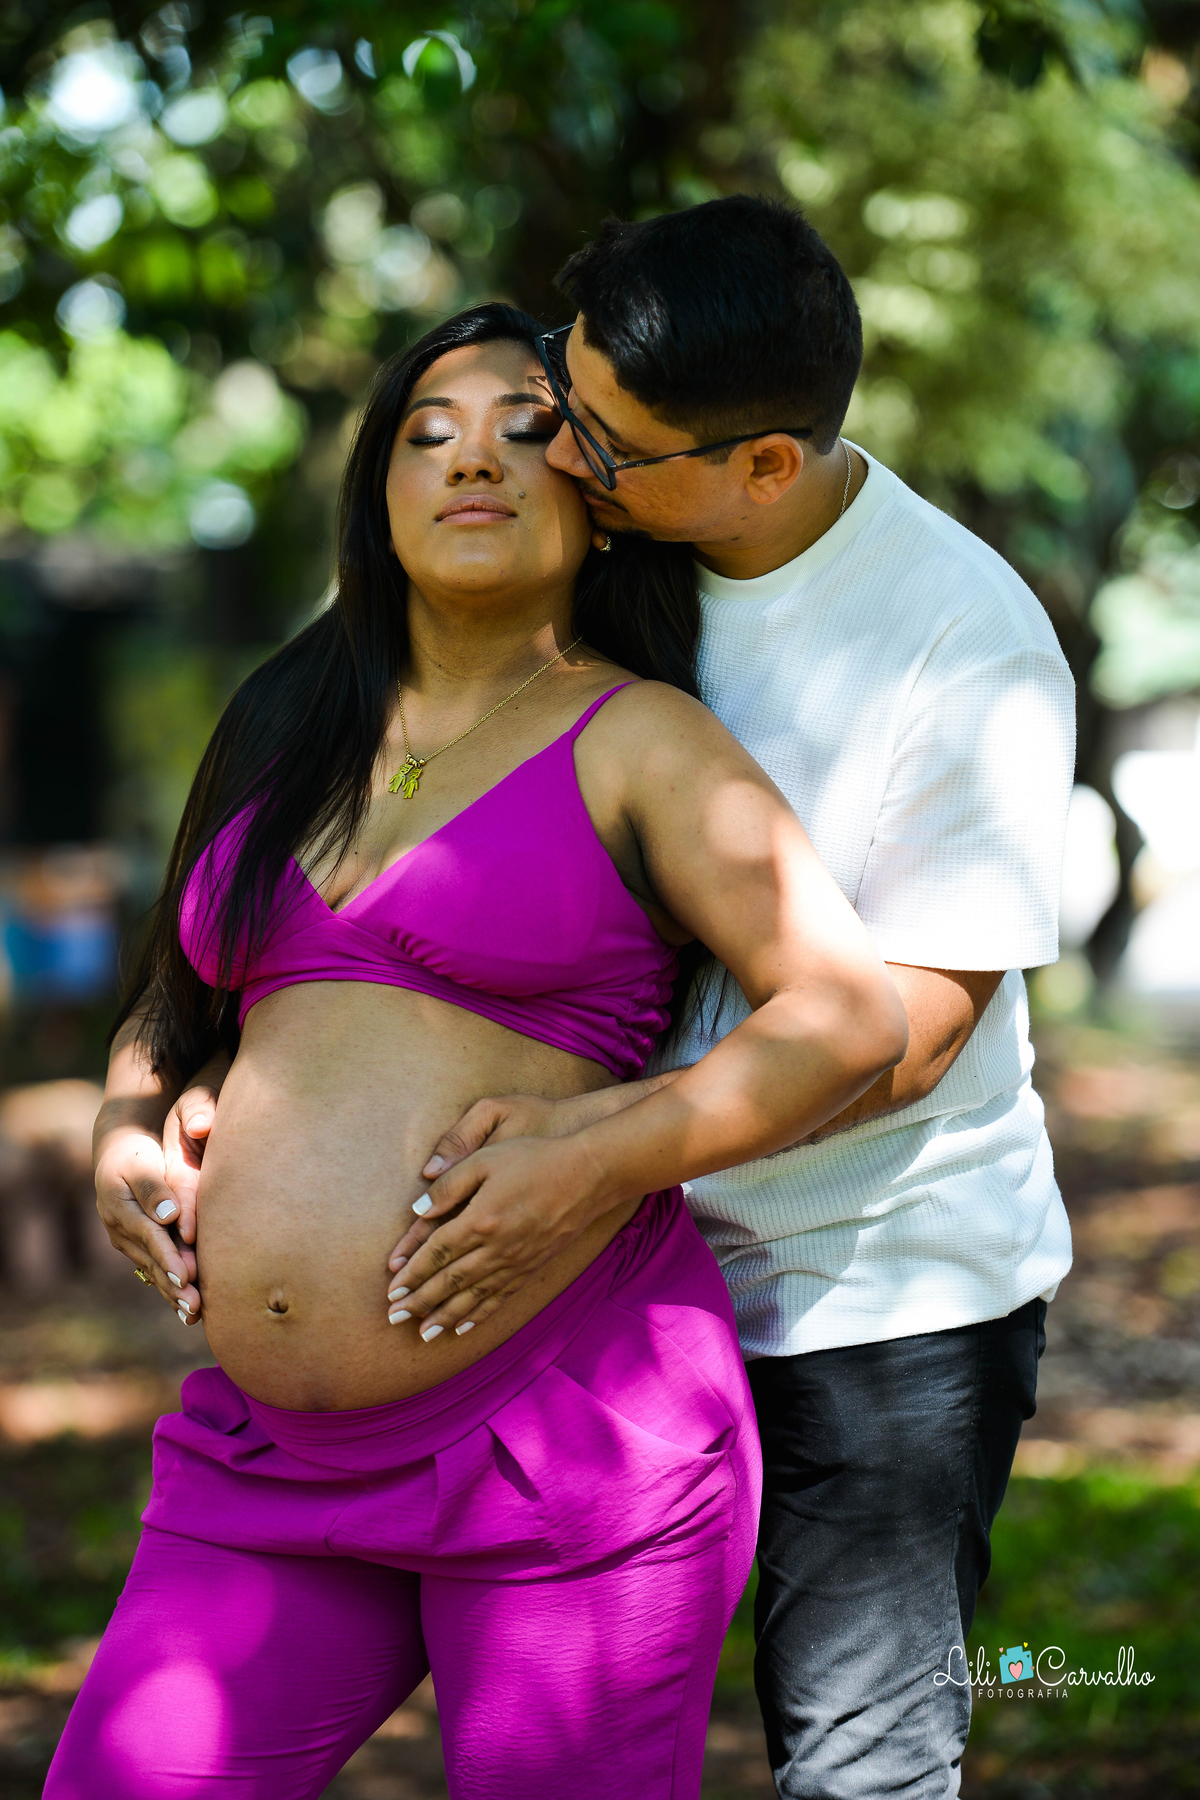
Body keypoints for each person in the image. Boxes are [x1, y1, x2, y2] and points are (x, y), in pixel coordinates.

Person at [66, 301, 907, 1800]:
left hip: (562, 1442)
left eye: (531, 430)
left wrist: (596, 1159)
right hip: (265, 1466)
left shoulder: (642, 740)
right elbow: (169, 1010)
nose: (476, 461)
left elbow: (849, 1012)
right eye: (428, 431)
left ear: (596, 509)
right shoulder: (282, 720)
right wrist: (125, 1125)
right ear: (377, 492)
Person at [361, 198, 1078, 1795]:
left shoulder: (967, 649)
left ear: (765, 463)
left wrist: (595, 1144)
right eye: (569, 399)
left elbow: (913, 1027)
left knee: (857, 1757)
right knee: (574, 1733)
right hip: (605, 1274)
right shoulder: (609, 560)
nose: (565, 461)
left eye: (610, 446)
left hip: (876, 1294)